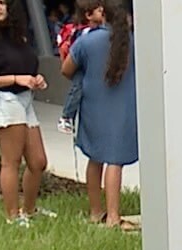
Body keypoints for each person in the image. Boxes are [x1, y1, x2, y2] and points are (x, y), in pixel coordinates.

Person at [0, 0, 51, 227]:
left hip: (24, 97)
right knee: (11, 161)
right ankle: (13, 217)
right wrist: (16, 78)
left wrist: (35, 79)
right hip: (1, 98)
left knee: (38, 161)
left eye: (1, 2)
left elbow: (27, 65)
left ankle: (30, 210)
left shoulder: (18, 34)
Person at [62, 0, 137, 231]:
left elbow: (66, 70)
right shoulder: (132, 42)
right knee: (115, 161)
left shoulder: (86, 41)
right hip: (125, 107)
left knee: (95, 157)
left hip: (94, 105)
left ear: (102, 13)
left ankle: (96, 212)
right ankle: (114, 215)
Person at [56, 0, 103, 135]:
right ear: (88, 15)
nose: (103, 13)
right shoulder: (86, 32)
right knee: (77, 88)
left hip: (87, 68)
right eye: (99, 11)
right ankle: (66, 116)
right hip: (82, 68)